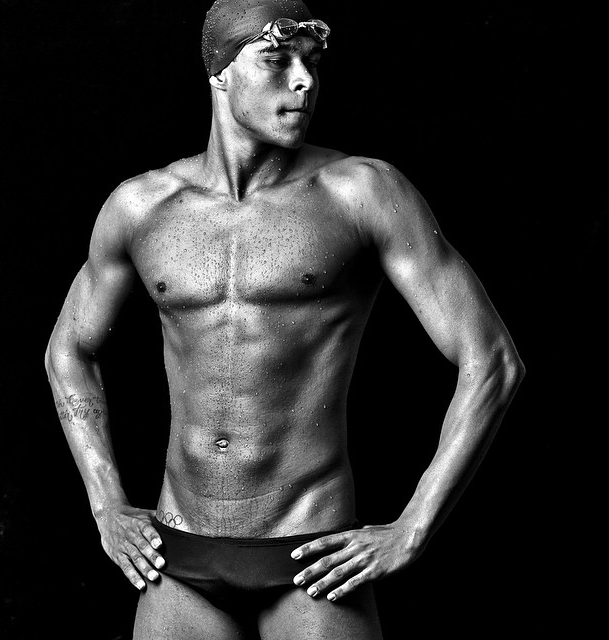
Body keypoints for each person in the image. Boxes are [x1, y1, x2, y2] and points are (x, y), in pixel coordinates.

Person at [45, 1, 525, 638]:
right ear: (220, 73)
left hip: (311, 558)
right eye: (276, 60)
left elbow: (492, 360)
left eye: (312, 63)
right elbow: (68, 351)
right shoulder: (141, 206)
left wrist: (413, 527)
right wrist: (106, 503)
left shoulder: (361, 191)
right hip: (177, 556)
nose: (304, 81)